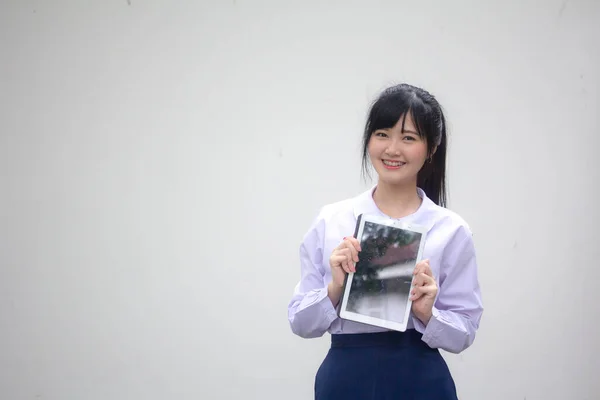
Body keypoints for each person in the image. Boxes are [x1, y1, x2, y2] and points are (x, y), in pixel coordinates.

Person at [287, 83, 483, 399]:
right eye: (382, 134)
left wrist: (427, 313)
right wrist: (335, 289)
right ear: (368, 140)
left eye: (408, 138)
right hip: (345, 379)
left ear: (431, 148)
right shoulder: (333, 220)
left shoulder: (451, 229)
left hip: (421, 379)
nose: (392, 149)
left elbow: (465, 332)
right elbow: (300, 322)